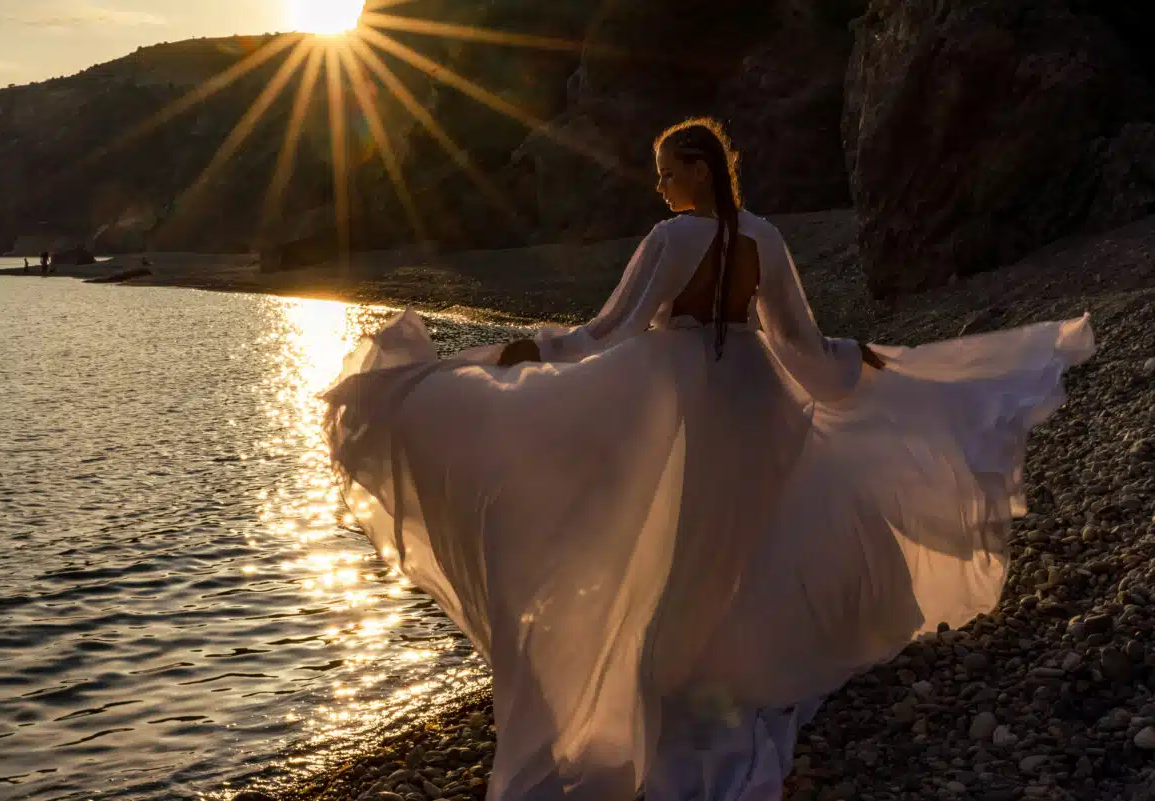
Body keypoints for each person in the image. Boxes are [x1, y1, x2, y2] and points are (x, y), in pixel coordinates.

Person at [322, 118, 1094, 801]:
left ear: (697, 169)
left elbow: (611, 333)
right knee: (737, 543)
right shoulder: (766, 235)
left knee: (669, 537)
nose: (658, 186)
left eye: (666, 170)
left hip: (682, 397)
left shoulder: (673, 237)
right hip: (758, 397)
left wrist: (516, 357)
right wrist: (861, 360)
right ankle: (723, 667)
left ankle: (669, 677)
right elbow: (799, 345)